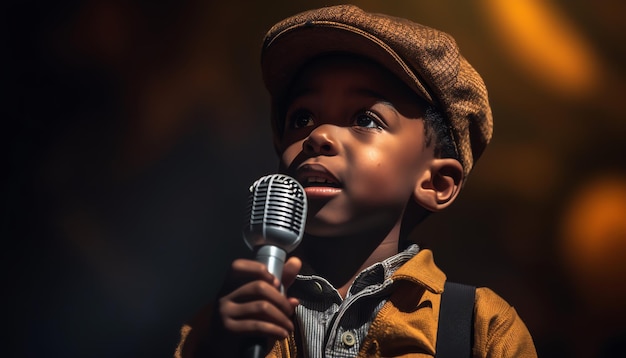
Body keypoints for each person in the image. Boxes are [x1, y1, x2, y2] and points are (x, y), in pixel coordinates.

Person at [175, 4, 537, 357]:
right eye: (302, 118)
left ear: (435, 183)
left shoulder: (482, 328)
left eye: (365, 119)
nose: (318, 137)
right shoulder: (221, 326)